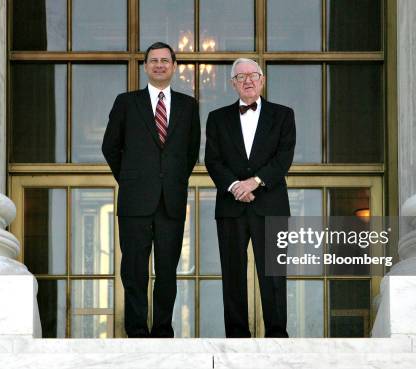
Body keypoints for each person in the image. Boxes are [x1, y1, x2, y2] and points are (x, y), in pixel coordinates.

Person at [102, 42, 200, 338]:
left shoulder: (188, 105)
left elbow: (191, 151)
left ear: (174, 66)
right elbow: (110, 146)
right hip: (135, 201)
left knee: (167, 271)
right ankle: (136, 330)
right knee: (134, 270)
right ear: (145, 66)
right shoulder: (126, 102)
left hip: (171, 200)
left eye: (165, 61)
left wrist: (172, 180)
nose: (159, 65)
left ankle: (162, 330)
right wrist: (131, 179)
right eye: (153, 60)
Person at [204, 58, 296, 338]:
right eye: (240, 76)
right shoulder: (217, 118)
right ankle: (236, 337)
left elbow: (283, 158)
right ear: (233, 84)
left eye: (253, 75)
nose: (247, 80)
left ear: (262, 80)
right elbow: (213, 160)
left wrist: (254, 182)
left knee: (274, 276)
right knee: (232, 275)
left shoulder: (283, 115)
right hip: (231, 207)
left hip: (271, 205)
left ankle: (277, 336)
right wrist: (234, 186)